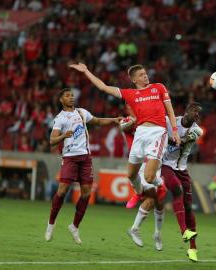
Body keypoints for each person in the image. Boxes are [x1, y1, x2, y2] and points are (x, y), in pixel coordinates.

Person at [69, 63, 180, 197]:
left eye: (145, 73)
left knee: (149, 177)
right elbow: (103, 87)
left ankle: (160, 185)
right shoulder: (130, 94)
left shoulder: (159, 87)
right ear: (134, 80)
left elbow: (170, 109)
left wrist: (174, 130)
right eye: (141, 75)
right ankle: (139, 193)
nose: (145, 76)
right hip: (140, 133)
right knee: (131, 175)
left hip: (157, 133)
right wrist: (86, 71)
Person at [126, 103, 203, 262]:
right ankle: (184, 232)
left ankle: (192, 248)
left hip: (182, 169)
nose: (197, 115)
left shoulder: (197, 130)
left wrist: (163, 136)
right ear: (186, 111)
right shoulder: (169, 121)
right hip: (166, 165)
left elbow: (179, 142)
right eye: (194, 111)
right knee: (176, 190)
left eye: (199, 113)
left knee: (188, 207)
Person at [45, 88, 122, 244]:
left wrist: (114, 119)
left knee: (86, 193)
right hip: (70, 158)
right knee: (62, 190)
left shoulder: (81, 112)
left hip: (85, 158)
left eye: (72, 95)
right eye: (67, 96)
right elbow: (52, 141)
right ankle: (51, 224)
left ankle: (74, 226)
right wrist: (63, 136)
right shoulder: (60, 118)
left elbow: (98, 121)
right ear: (61, 100)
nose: (71, 97)